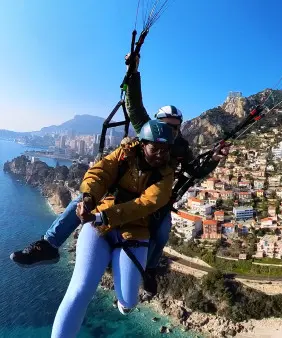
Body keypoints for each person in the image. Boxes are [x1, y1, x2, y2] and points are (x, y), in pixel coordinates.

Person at [10, 53, 230, 298]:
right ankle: (49, 244)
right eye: (165, 126)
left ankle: (151, 269)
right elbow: (134, 106)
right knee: (79, 202)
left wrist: (213, 161)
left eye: (174, 128)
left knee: (162, 228)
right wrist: (133, 73)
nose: (169, 132)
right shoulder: (143, 134)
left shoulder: (181, 149)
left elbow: (193, 171)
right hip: (119, 190)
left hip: (151, 197)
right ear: (154, 126)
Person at [51, 120, 175, 338]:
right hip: (99, 229)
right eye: (155, 149)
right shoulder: (123, 154)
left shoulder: (165, 175)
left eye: (164, 151)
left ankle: (124, 302)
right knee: (80, 290)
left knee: (128, 300)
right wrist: (88, 198)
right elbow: (99, 173)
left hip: (133, 231)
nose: (159, 155)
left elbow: (145, 204)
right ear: (142, 144)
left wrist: (101, 216)